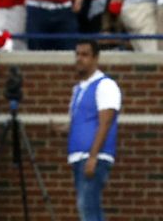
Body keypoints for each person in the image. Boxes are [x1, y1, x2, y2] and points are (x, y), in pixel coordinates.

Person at [67, 39, 121, 221]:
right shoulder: (79, 89)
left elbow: (105, 122)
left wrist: (93, 156)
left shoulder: (105, 85)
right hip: (79, 157)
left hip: (92, 156)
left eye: (85, 55)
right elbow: (79, 122)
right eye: (77, 54)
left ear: (96, 58)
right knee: (90, 209)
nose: (79, 59)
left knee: (87, 209)